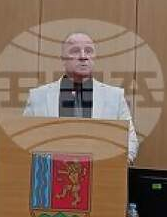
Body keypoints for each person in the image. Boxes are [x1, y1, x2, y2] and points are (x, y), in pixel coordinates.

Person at [23, 32, 139, 164]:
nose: (83, 56)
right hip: (51, 172)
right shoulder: (38, 96)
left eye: (88, 51)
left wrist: (115, 165)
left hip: (101, 172)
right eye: (75, 51)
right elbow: (25, 140)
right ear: (63, 58)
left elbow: (130, 141)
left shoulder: (115, 97)